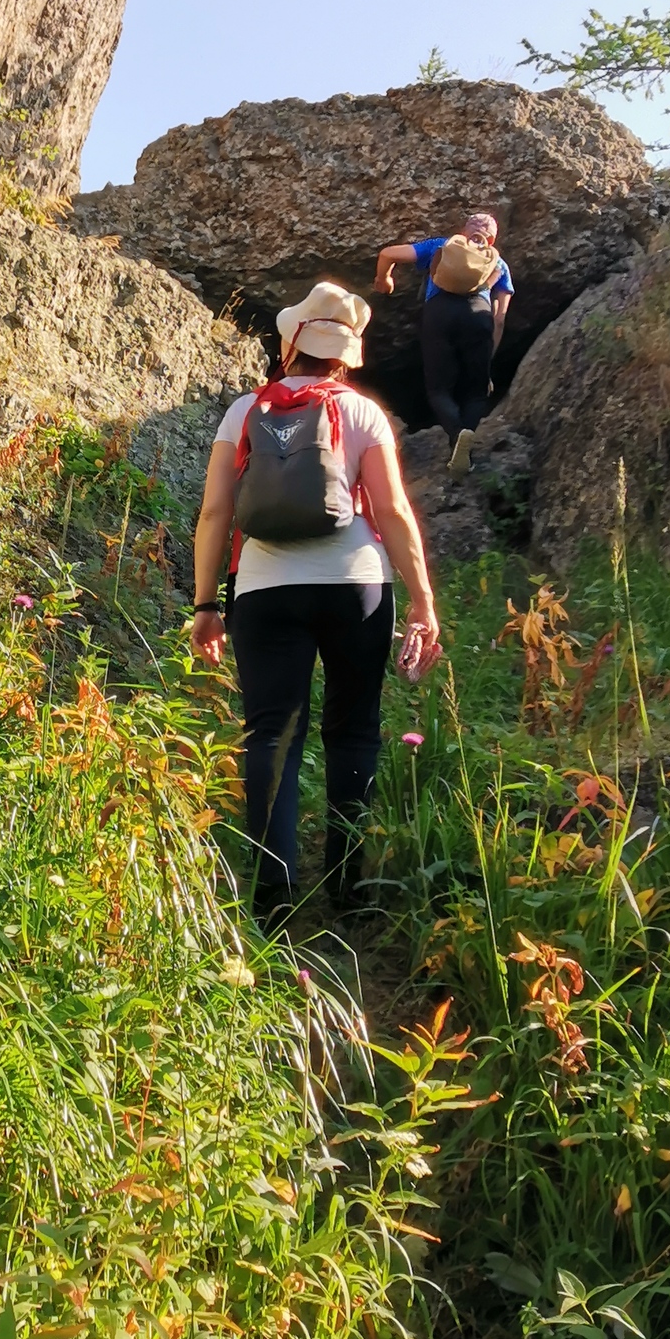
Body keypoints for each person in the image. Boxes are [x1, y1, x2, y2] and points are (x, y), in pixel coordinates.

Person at [188, 279, 442, 923]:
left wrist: (205, 604)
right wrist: (422, 603)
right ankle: (349, 889)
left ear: (290, 342)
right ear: (346, 355)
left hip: (266, 590)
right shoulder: (363, 414)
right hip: (356, 584)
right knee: (353, 730)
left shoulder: (245, 411)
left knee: (271, 734)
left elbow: (216, 511)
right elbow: (392, 512)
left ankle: (272, 898)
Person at [374, 211, 513, 479]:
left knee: (439, 389)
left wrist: (384, 279)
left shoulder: (441, 246)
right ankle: (464, 442)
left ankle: (455, 434)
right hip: (479, 316)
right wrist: (489, 358)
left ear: (463, 230)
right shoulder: (499, 264)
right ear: (492, 239)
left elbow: (388, 254)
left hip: (439, 315)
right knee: (476, 391)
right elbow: (500, 319)